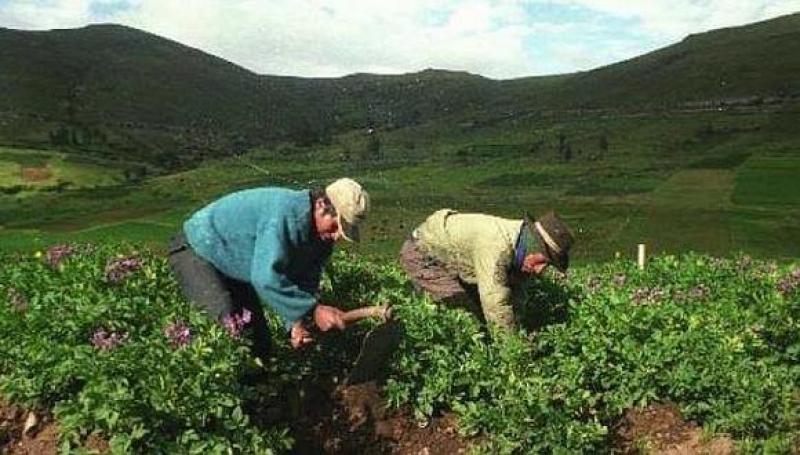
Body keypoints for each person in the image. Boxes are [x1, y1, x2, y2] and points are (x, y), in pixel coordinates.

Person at [168, 178, 370, 360]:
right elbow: (265, 278)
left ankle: (259, 396)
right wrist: (313, 310)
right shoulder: (285, 214)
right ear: (321, 206)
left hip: (235, 264)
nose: (335, 236)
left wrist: (296, 323)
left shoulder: (321, 240)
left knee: (259, 344)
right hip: (198, 248)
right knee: (225, 331)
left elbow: (304, 282)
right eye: (335, 226)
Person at [399, 209, 574, 332]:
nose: (541, 269)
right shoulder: (497, 247)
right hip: (424, 255)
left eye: (548, 265)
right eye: (542, 261)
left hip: (457, 261)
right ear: (532, 247)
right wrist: (513, 355)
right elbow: (496, 303)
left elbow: (515, 296)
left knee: (482, 316)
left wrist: (519, 325)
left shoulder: (522, 250)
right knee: (466, 320)